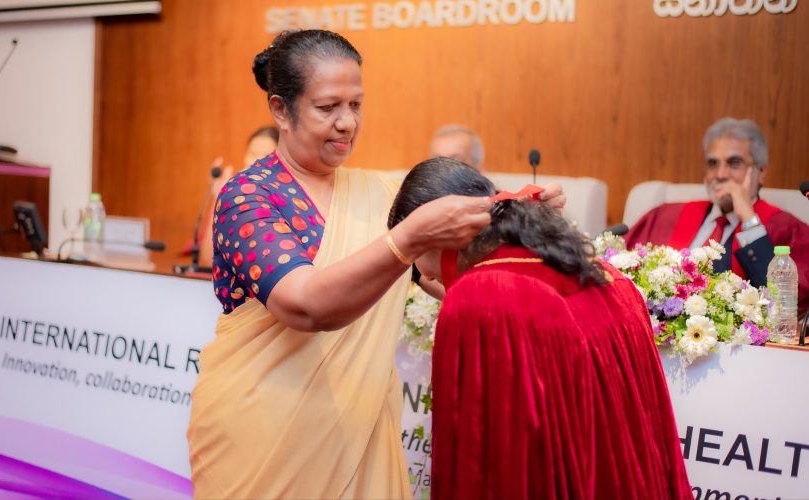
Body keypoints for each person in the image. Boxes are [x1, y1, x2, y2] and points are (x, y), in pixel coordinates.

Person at [186, 29, 567, 499]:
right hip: (263, 436)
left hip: (357, 433)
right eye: (328, 107)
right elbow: (305, 305)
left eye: (356, 105)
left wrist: (521, 219)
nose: (347, 122)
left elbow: (449, 280)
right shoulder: (246, 197)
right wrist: (406, 238)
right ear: (281, 110)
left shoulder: (379, 194)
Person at [388, 157, 691, 499]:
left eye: (413, 251)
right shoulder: (610, 277)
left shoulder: (481, 298)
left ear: (434, 233)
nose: (423, 274)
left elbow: (484, 463)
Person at [626, 117, 808, 314]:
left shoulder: (784, 228)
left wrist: (748, 218)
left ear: (761, 172)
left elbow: (787, 305)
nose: (720, 174)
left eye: (734, 163)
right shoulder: (666, 215)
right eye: (712, 163)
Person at [193, 125, 280, 268]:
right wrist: (218, 197)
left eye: (266, 155)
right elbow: (208, 259)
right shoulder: (234, 196)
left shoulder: (282, 201)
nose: (256, 161)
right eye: (252, 153)